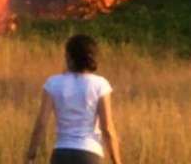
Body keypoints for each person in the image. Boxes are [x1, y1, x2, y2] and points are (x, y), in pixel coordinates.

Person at [24, 34, 123, 164]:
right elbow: (107, 128)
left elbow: (41, 123)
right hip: (89, 153)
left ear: (68, 56)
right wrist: (117, 161)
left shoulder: (53, 83)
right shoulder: (100, 84)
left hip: (61, 153)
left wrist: (31, 155)